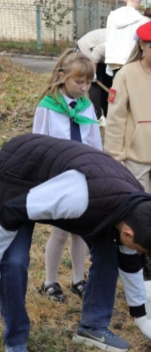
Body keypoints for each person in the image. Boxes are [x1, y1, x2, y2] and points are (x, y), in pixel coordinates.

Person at [0, 134, 151, 352]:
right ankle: (16, 340)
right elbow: (12, 212)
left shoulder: (138, 209)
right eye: (139, 248)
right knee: (14, 261)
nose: (136, 252)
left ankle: (92, 327)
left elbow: (129, 261)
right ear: (128, 233)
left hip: (67, 180)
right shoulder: (79, 196)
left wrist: (141, 317)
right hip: (16, 176)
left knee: (108, 251)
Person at [104, 21, 151, 281]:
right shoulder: (126, 74)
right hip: (134, 158)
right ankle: (128, 264)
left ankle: (146, 261)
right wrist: (115, 158)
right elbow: (115, 118)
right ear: (142, 46)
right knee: (136, 216)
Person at [32, 50, 101, 303]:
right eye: (78, 82)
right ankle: (49, 281)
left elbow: (94, 141)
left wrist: (98, 172)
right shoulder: (47, 107)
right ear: (62, 77)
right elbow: (38, 144)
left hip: (82, 176)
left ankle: (78, 279)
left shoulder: (87, 106)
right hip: (59, 177)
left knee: (80, 231)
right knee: (60, 231)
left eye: (89, 83)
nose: (84, 88)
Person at [104, 0, 149, 76]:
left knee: (117, 86)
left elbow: (107, 37)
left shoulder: (112, 16)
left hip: (114, 59)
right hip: (131, 59)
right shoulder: (142, 20)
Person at [76, 28, 109, 119]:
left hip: (100, 54)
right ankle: (96, 115)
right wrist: (93, 72)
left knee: (107, 81)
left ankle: (106, 115)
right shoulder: (119, 41)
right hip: (88, 48)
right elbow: (98, 51)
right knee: (95, 83)